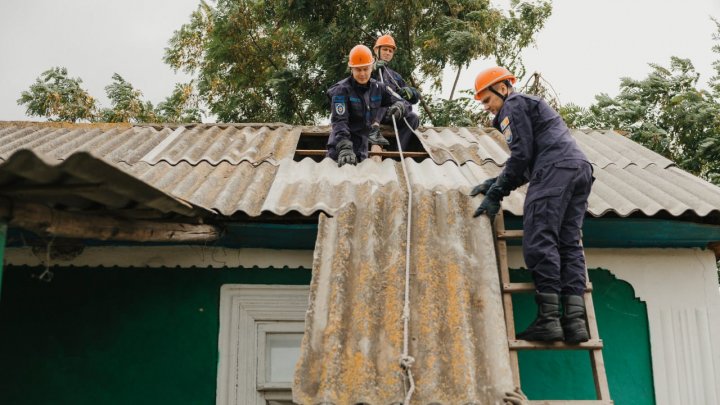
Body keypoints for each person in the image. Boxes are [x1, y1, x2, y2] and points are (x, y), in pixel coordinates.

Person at [470, 66, 594, 343]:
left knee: (540, 239)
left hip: (554, 171)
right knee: (568, 243)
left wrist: (497, 192)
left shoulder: (512, 105)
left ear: (502, 88)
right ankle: (575, 323)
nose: (488, 108)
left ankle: (548, 320)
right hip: (578, 169)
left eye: (487, 100)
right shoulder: (531, 105)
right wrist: (496, 183)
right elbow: (527, 164)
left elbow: (521, 155)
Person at [326, 44, 406, 166]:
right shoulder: (341, 90)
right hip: (341, 150)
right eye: (358, 70)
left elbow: (399, 99)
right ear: (351, 69)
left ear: (371, 67)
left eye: (365, 69)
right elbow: (339, 121)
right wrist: (345, 147)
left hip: (361, 150)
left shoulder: (379, 88)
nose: (362, 74)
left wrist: (400, 105)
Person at [371, 34, 421, 151]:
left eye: (390, 51)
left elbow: (414, 98)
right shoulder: (366, 69)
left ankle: (397, 152)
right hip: (373, 113)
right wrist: (372, 69)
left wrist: (411, 92)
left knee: (413, 118)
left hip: (391, 113)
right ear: (376, 50)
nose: (388, 53)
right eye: (384, 49)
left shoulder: (395, 76)